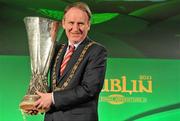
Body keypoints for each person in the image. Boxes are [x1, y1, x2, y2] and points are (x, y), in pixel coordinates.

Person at [26, 2, 107, 121]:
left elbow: (89, 89)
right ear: (63, 23)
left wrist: (52, 98)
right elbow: (55, 88)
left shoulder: (97, 51)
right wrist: (36, 102)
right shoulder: (56, 49)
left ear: (88, 25)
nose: (75, 28)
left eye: (80, 24)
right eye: (71, 23)